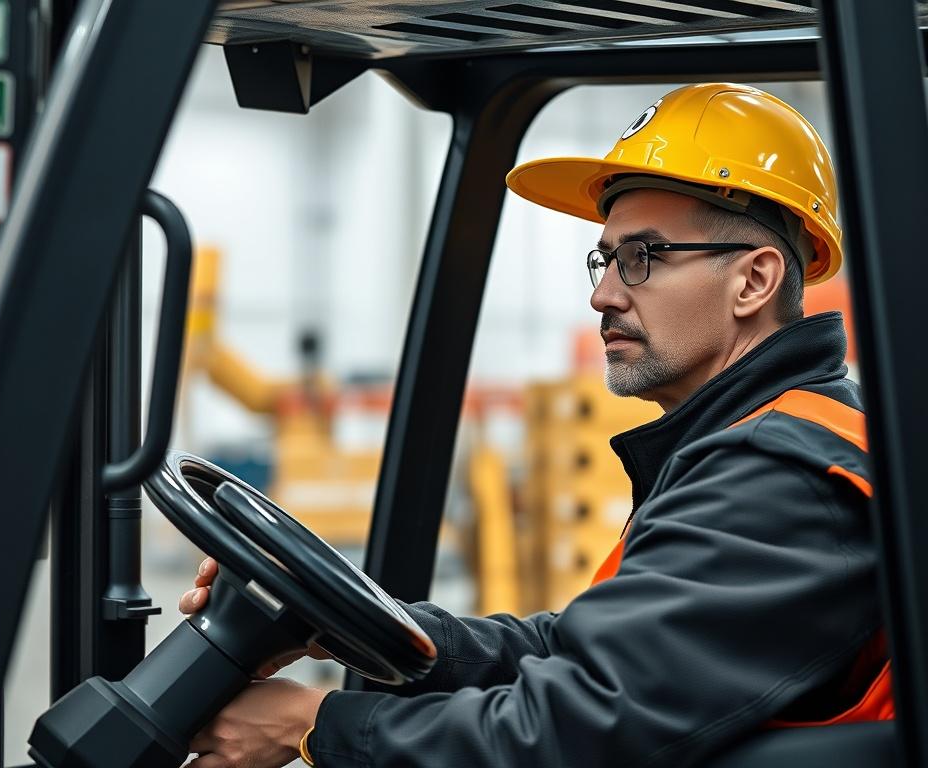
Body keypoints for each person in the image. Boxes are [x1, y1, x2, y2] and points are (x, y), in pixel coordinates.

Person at [179, 83, 890, 768]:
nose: (603, 294)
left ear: (754, 281)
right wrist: (366, 627)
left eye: (642, 258)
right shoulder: (751, 444)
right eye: (605, 259)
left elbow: (574, 729)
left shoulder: (779, 475)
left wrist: (313, 725)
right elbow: (580, 653)